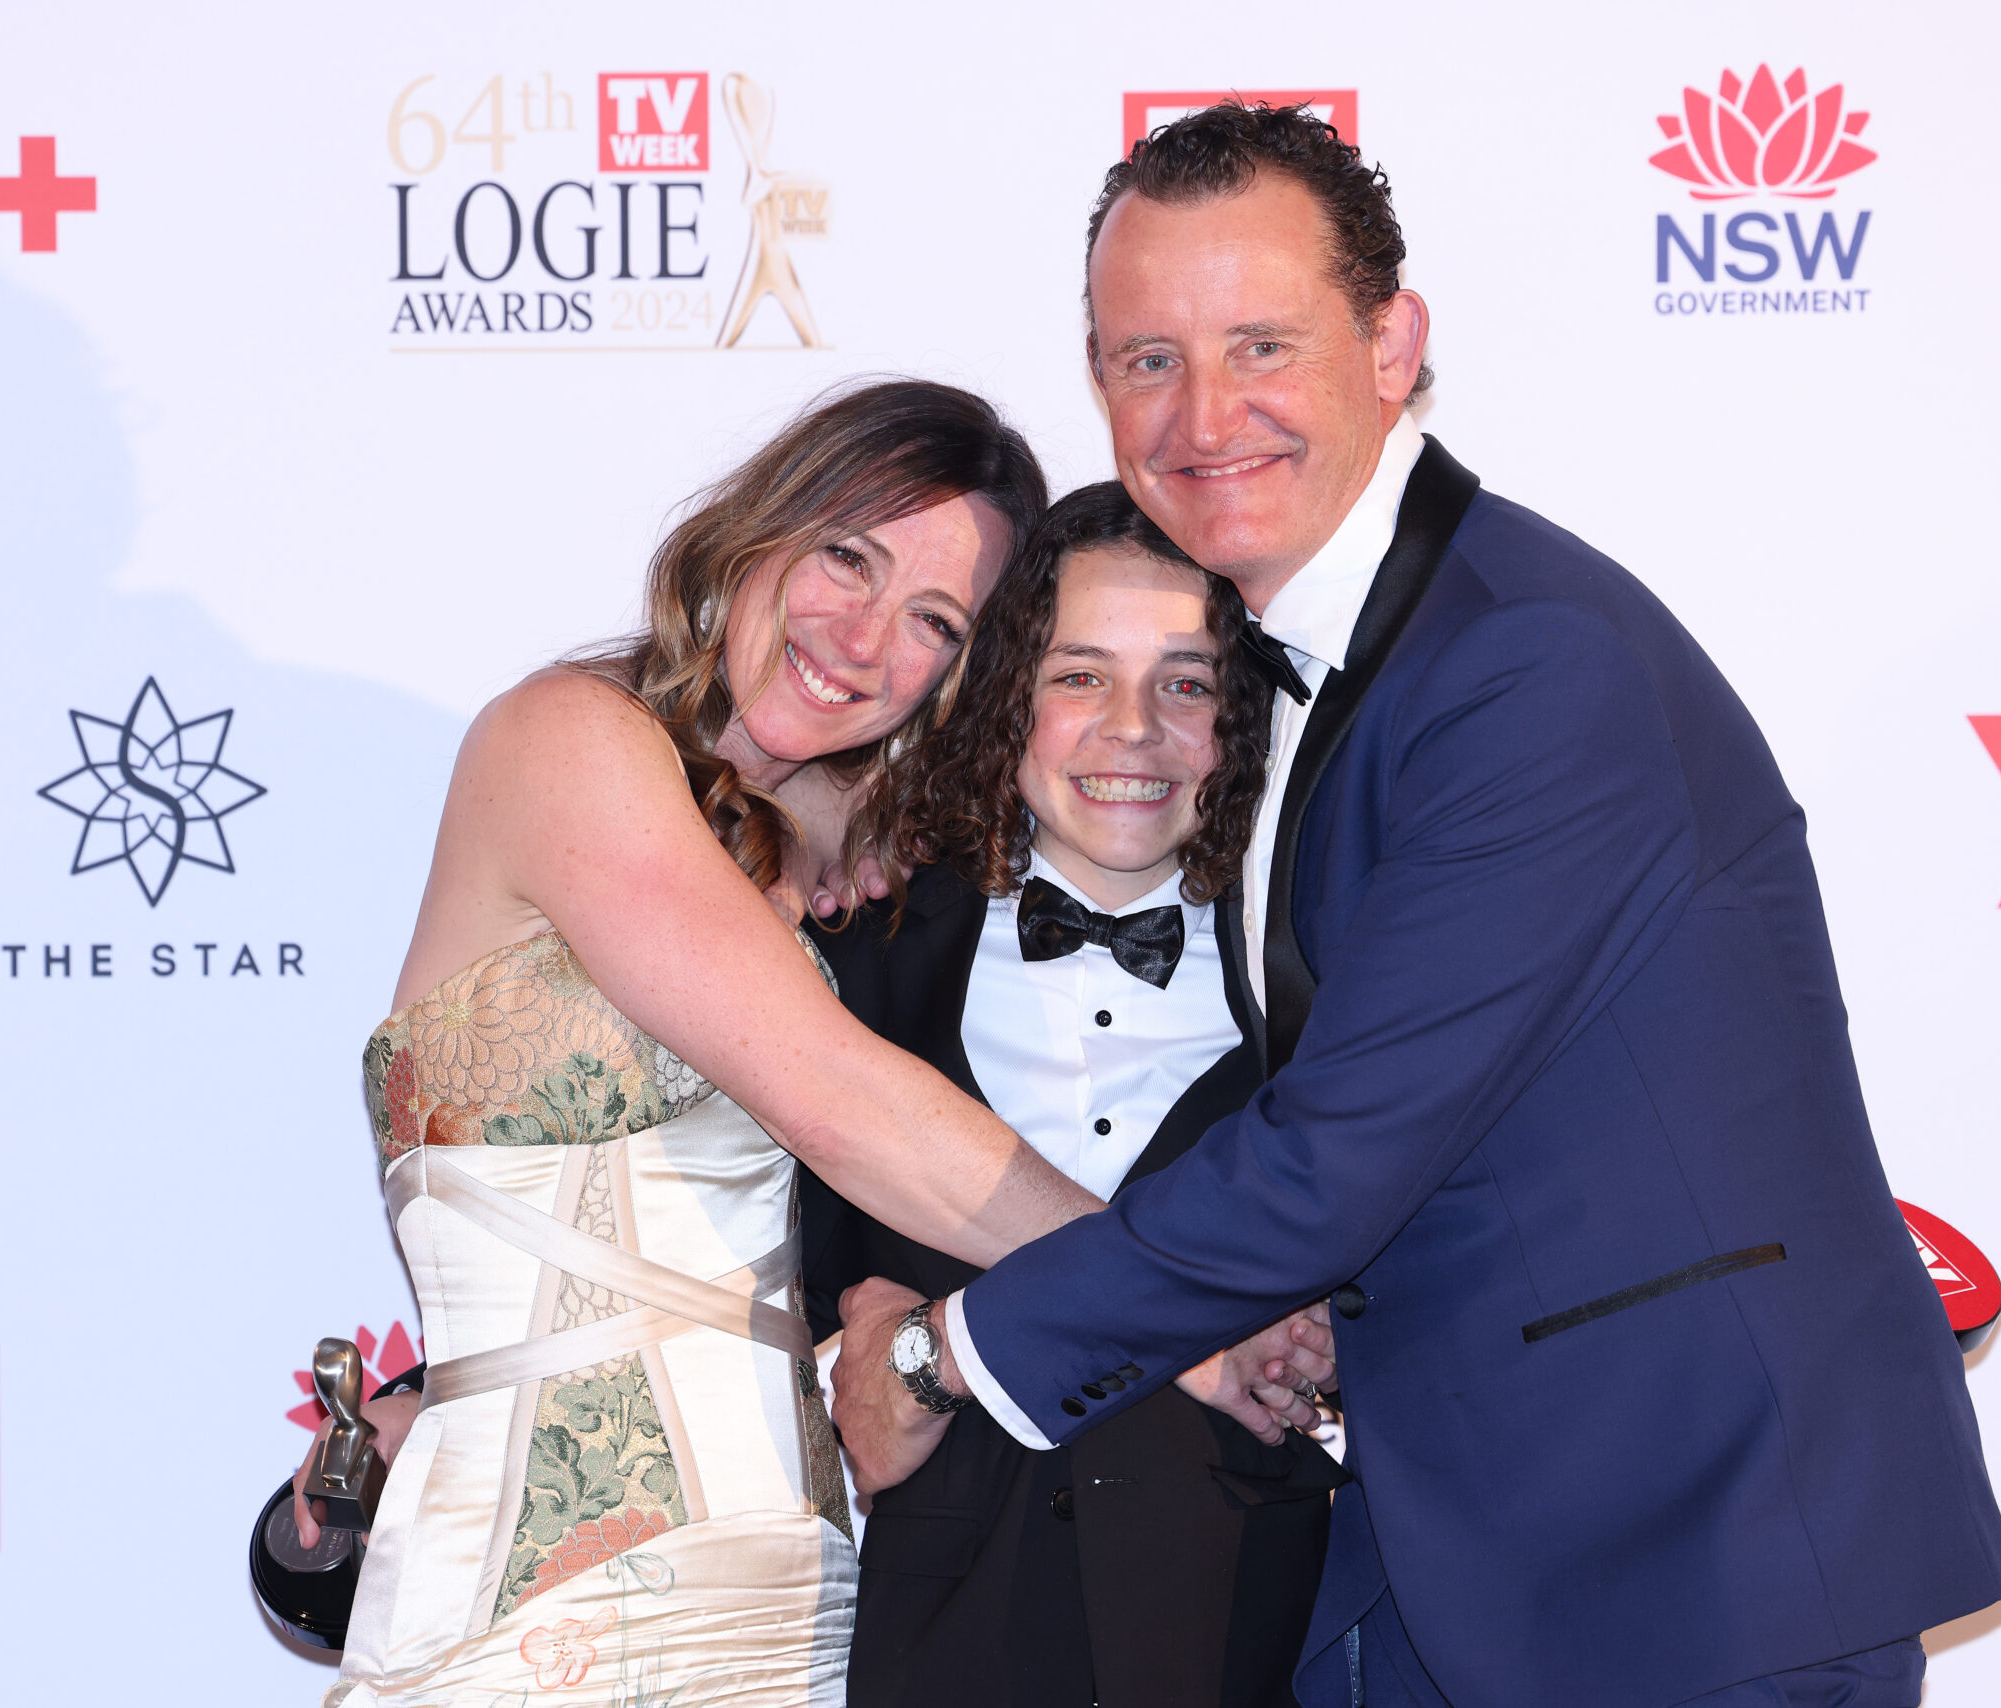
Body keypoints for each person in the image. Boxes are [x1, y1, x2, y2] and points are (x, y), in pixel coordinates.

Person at [831, 105, 2001, 1708]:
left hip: (1681, 1552)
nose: (1204, 413)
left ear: (1395, 344)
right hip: (1450, 1552)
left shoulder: (1528, 662)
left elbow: (1338, 1155)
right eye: (1146, 359)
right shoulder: (1315, 671)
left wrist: (945, 1354)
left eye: (1261, 343)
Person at [303, 379, 1327, 1708]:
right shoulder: (563, 740)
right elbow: (849, 1105)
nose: (863, 637)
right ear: (762, 530)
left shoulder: (868, 864)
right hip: (528, 1606)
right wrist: (1181, 1312)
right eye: (849, 556)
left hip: (792, 1607)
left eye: (935, 622)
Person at [803, 483, 1343, 1708]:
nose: (1134, 729)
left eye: (1188, 682)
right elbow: (762, 1284)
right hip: (934, 1648)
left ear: (1243, 715)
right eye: (1080, 675)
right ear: (1007, 700)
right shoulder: (857, 953)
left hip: (1260, 1645)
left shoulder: (1330, 980)